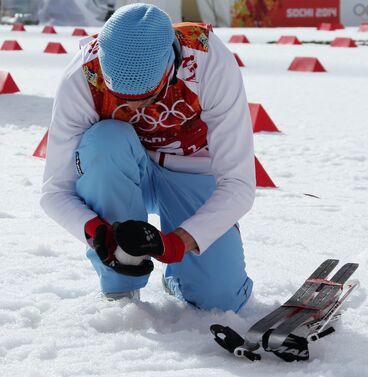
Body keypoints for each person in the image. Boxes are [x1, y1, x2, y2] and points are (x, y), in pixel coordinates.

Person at [40, 3, 255, 312]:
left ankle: (182, 278)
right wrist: (97, 233)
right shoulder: (82, 77)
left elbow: (238, 185)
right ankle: (121, 285)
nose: (136, 111)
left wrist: (178, 242)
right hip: (127, 170)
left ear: (171, 70)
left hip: (193, 173)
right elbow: (54, 191)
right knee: (105, 141)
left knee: (219, 301)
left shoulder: (209, 62)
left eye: (146, 99)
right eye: (122, 101)